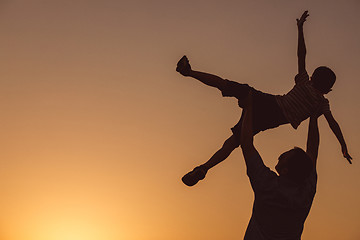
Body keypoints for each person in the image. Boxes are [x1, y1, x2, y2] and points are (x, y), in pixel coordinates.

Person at [176, 11, 352, 187]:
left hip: (269, 102)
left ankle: (189, 72)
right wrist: (343, 146)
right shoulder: (321, 103)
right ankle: (205, 167)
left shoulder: (305, 82)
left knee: (225, 84)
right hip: (271, 120)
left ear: (313, 77)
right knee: (235, 141)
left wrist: (300, 29)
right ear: (328, 89)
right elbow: (333, 124)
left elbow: (301, 54)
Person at [240, 91, 319, 240]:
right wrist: (314, 118)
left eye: (284, 157)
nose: (280, 155)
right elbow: (313, 152)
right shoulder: (305, 194)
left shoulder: (266, 184)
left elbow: (246, 143)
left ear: (284, 170)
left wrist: (249, 108)